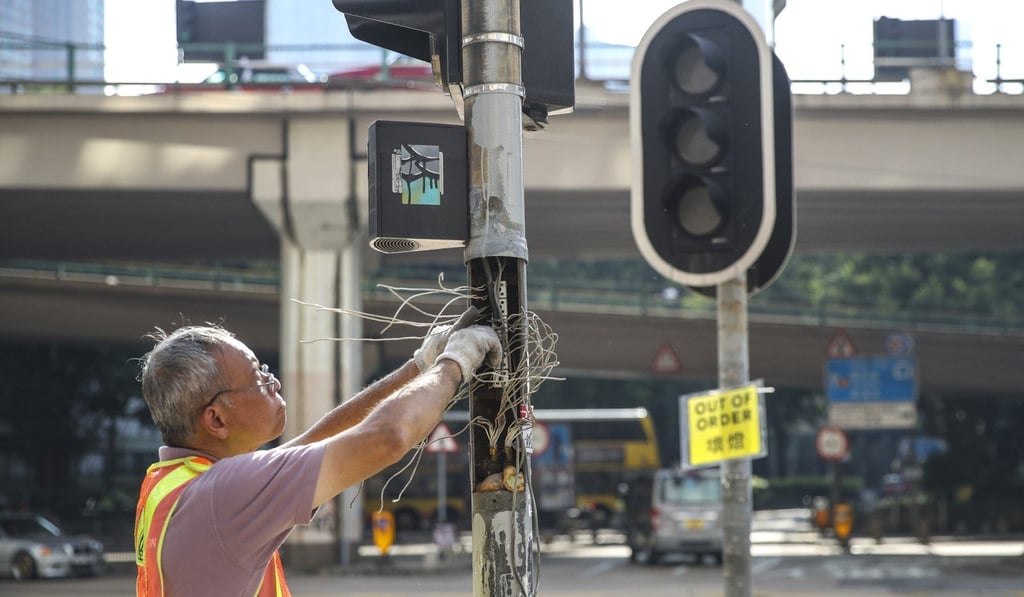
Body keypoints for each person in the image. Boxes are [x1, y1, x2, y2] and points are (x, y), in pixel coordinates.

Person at [134, 317, 500, 597]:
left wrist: (418, 368)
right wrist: (454, 364)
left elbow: (316, 442)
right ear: (216, 419)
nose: (272, 381)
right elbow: (386, 438)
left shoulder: (173, 483)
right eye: (258, 378)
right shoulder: (225, 493)